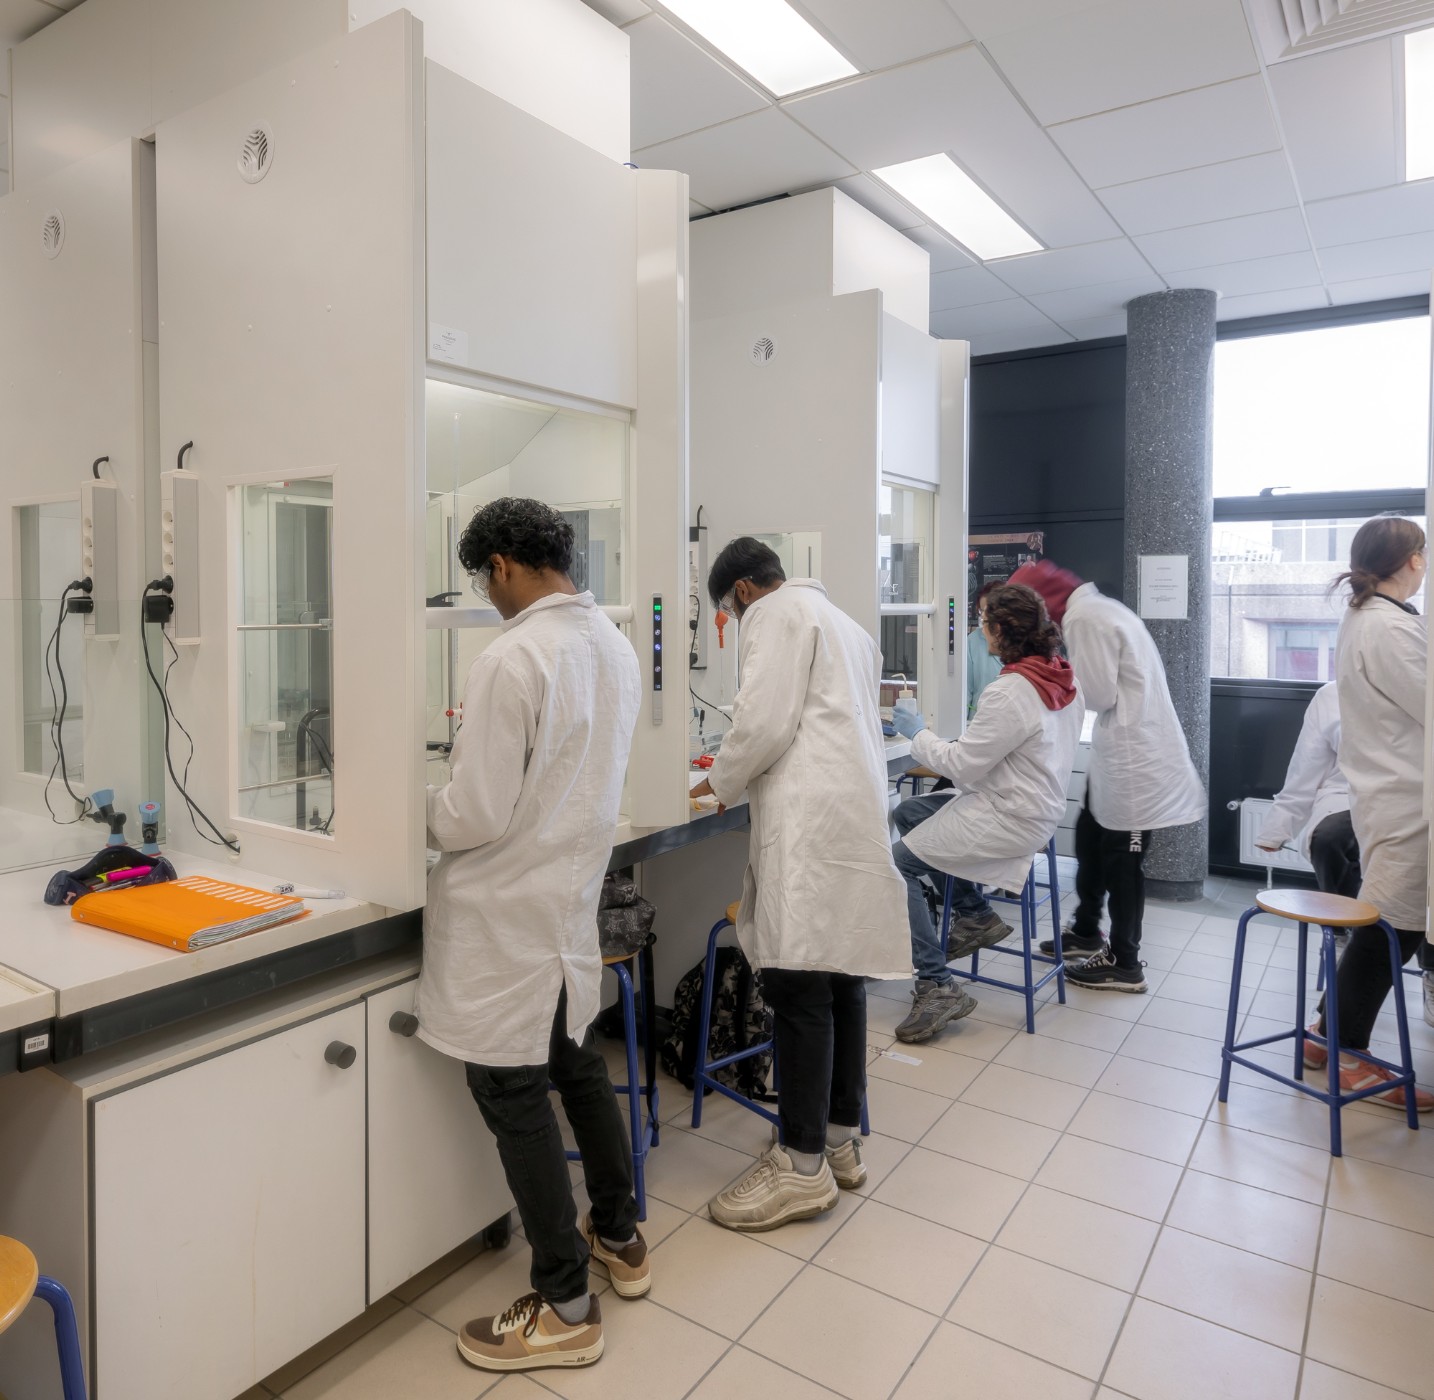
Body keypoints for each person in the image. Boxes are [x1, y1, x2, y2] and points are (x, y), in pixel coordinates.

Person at [417, 497, 647, 1373]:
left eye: (487, 580)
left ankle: (564, 1304)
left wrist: (412, 812)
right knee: (576, 1066)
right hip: (564, 906)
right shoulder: (614, 645)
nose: (490, 595)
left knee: (513, 1094)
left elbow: (475, 811)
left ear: (503, 567)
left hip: (505, 912)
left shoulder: (512, 656)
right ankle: (619, 1237)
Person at [690, 539, 909, 1231]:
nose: (735, 623)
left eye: (729, 614)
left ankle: (802, 1166)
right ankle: (839, 1140)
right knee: (840, 977)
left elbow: (761, 723)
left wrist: (717, 783)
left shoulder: (773, 614)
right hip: (852, 815)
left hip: (811, 823)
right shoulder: (845, 624)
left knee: (796, 985)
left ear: (742, 592)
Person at [889, 583, 1083, 1042]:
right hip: (1034, 808)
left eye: (983, 623)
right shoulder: (1058, 676)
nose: (980, 631)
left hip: (1007, 815)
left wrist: (918, 734)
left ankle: (936, 985)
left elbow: (961, 765)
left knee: (897, 864)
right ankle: (975, 913)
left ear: (1000, 631)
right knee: (911, 812)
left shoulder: (1011, 691)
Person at [1009, 560, 1205, 992]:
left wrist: (1046, 674)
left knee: (1123, 862)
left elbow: (1098, 694)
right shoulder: (1098, 609)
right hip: (1119, 754)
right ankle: (1085, 930)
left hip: (1139, 762)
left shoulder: (1084, 619)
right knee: (1090, 840)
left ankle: (1125, 961)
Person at [1304, 516, 1434, 1108]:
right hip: (1405, 798)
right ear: (1413, 560)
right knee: (1394, 929)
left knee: (1386, 921)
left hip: (1389, 793)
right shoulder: (1389, 627)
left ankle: (1324, 1034)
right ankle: (1348, 1054)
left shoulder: (1369, 617)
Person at [1255, 682, 1359, 901]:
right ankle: (1342, 917)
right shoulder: (1331, 695)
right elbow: (1307, 765)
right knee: (1328, 839)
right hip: (1347, 793)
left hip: (1412, 796)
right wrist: (1277, 828)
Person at [966, 579, 1005, 720]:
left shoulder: (1023, 644)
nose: (984, 617)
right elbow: (965, 692)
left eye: (990, 612)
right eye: (982, 612)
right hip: (977, 722)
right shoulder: (972, 642)